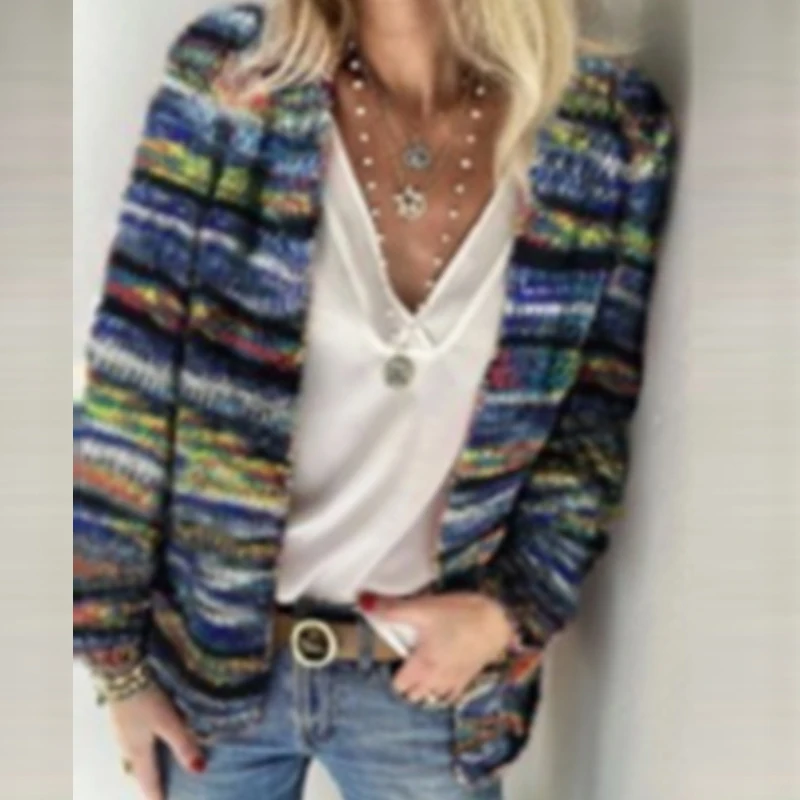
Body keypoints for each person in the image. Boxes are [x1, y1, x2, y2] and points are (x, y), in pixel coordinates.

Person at [73, 1, 679, 798]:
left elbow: (591, 421)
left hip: (426, 690)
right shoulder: (232, 79)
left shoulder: (608, 133)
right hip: (213, 677)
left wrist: (509, 613)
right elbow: (131, 388)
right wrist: (117, 665)